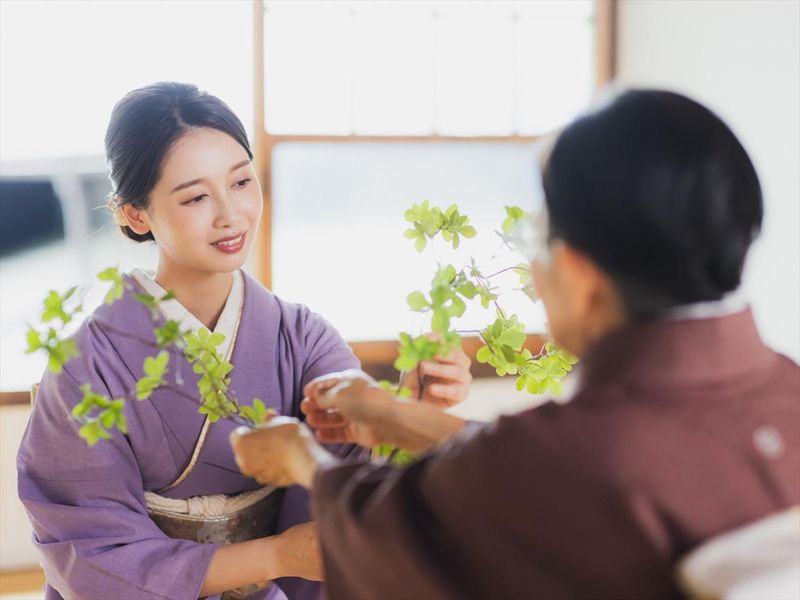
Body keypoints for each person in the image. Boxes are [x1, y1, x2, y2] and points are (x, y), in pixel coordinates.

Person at [231, 89, 800, 599]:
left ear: (581, 278)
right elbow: (537, 469)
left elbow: (402, 529)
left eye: (542, 240)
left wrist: (307, 462)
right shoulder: (784, 387)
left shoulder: (571, 457)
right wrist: (391, 414)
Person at [16, 82, 472, 600]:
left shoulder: (300, 335)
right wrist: (277, 554)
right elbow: (91, 554)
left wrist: (409, 410)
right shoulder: (86, 368)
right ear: (135, 214)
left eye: (241, 182)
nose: (231, 214)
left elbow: (354, 479)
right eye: (196, 197)